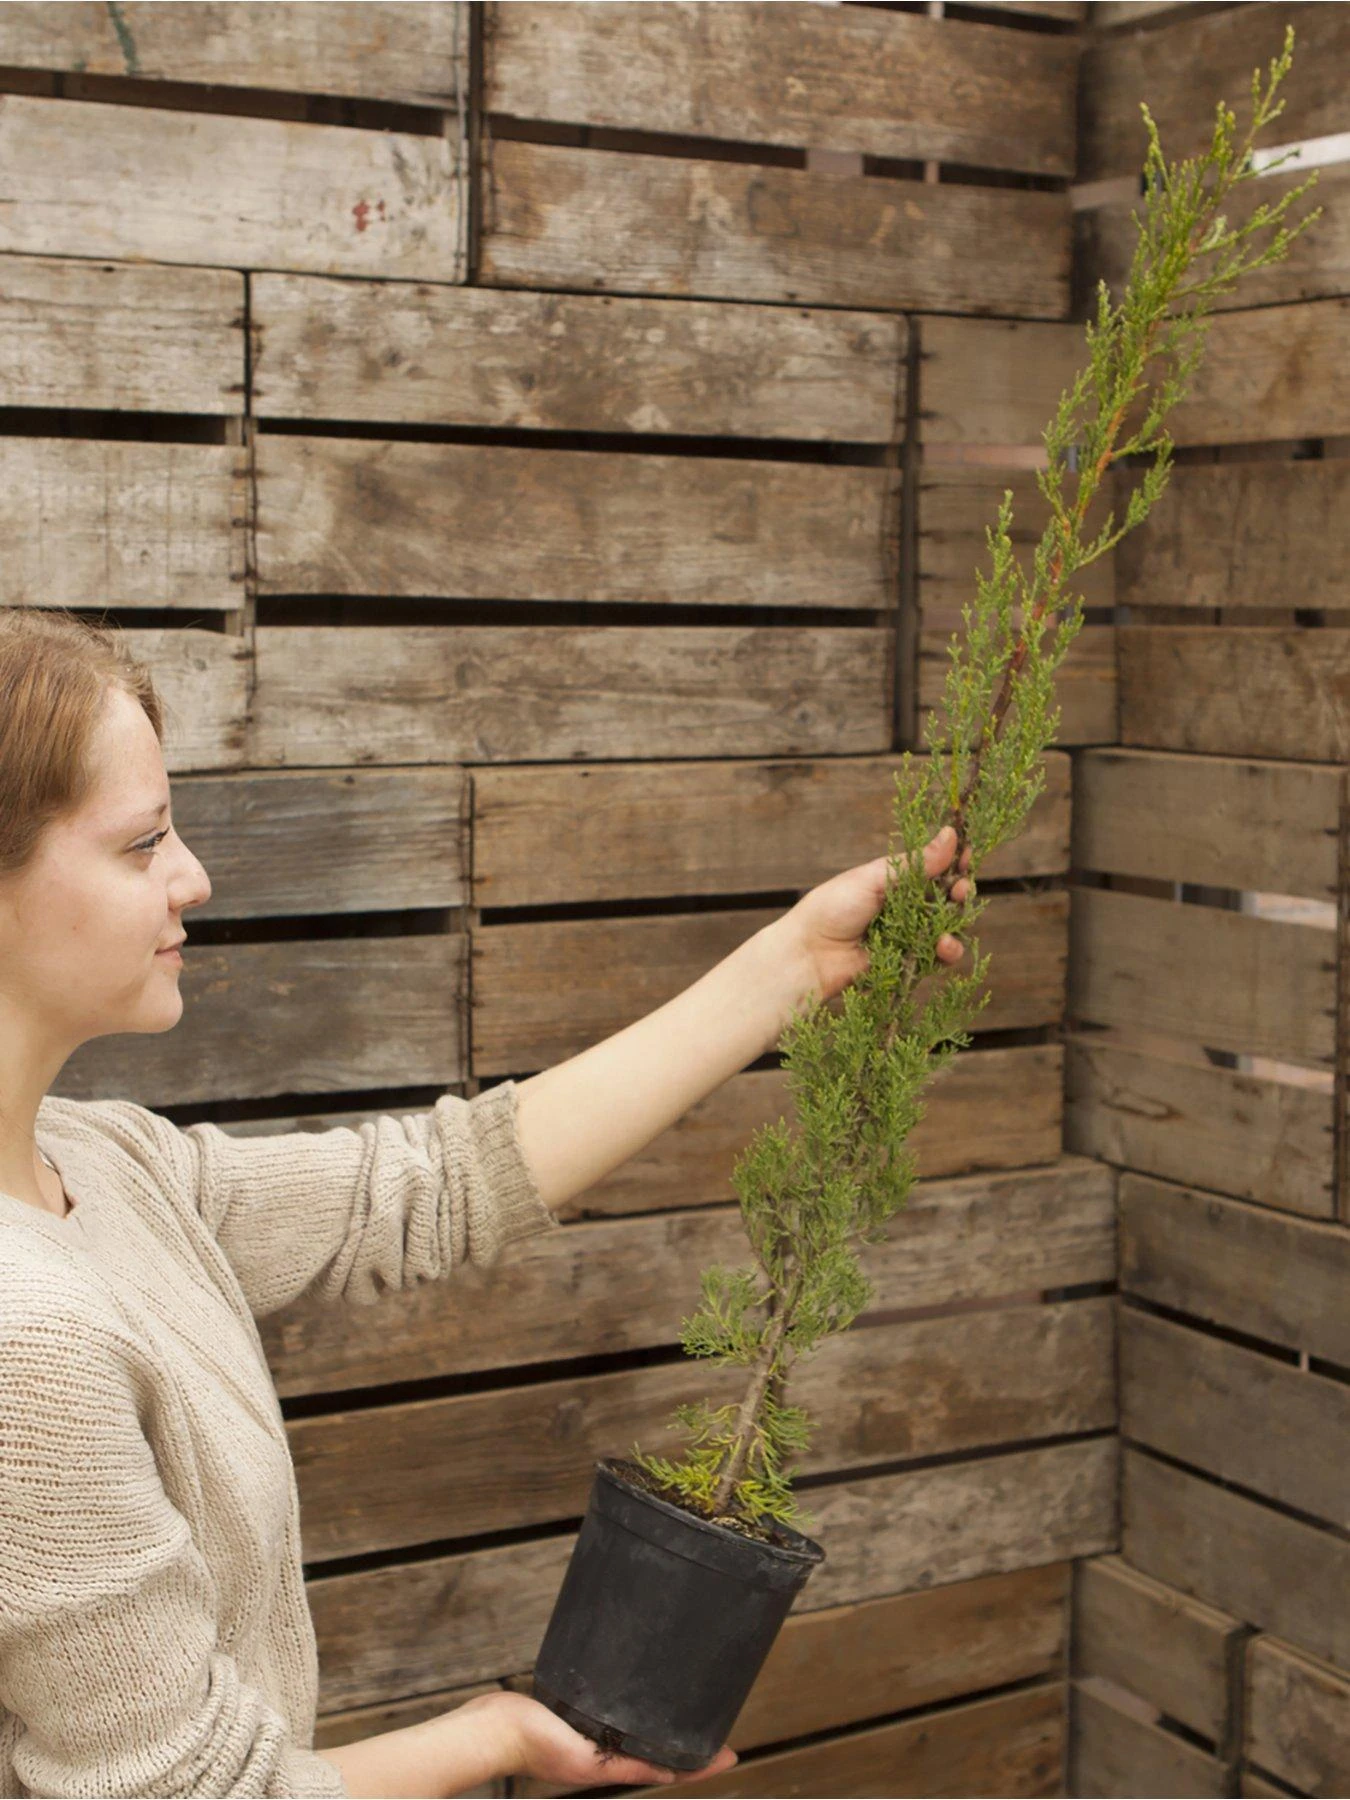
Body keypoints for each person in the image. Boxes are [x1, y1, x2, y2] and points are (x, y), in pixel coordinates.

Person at [0, 607, 970, 1798]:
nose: (193, 875)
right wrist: (501, 1739)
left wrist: (795, 966)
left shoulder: (100, 1165)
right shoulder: (27, 1342)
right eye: (142, 843)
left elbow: (430, 1185)